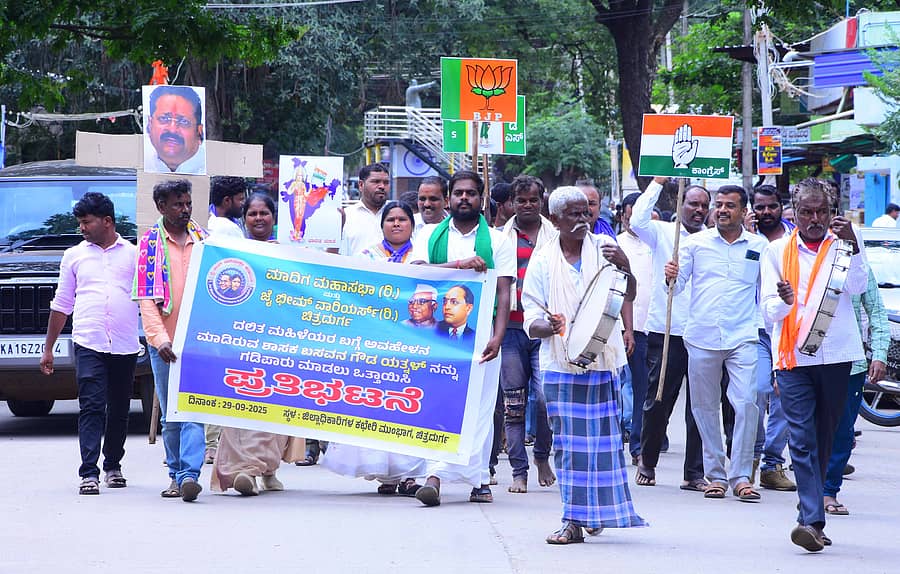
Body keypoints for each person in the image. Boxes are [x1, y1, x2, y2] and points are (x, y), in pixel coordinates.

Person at [522, 186, 646, 544]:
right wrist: (551, 326)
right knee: (568, 446)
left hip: (603, 362)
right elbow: (532, 317)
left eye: (586, 213)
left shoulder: (606, 250)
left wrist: (625, 266)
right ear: (555, 219)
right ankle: (573, 520)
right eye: (573, 214)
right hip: (560, 365)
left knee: (603, 445)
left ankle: (594, 512)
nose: (582, 220)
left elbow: (629, 294)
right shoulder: (544, 260)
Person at [761, 178, 868, 551]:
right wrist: (786, 300)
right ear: (795, 212)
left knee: (825, 438)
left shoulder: (845, 244)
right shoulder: (775, 252)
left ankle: (811, 516)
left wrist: (853, 244)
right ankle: (811, 520)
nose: (814, 218)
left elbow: (857, 287)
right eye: (807, 211)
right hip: (792, 358)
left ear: (831, 212)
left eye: (821, 211)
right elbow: (768, 310)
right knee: (802, 439)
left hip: (836, 355)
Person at [410, 169, 515, 506]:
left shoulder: (498, 240)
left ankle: (479, 479)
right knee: (438, 402)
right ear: (449, 198)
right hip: (437, 334)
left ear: (480, 198)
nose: (464, 199)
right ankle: (434, 475)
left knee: (481, 407)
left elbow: (503, 291)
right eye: (459, 193)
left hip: (482, 334)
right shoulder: (429, 235)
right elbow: (417, 274)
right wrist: (462, 265)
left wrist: (498, 336)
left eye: (471, 193)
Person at [665, 186, 767, 501]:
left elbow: (766, 294)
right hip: (702, 336)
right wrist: (671, 275)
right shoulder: (695, 244)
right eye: (719, 205)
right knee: (704, 407)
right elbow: (677, 287)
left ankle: (741, 476)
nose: (722, 210)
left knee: (748, 402)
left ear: (743, 211)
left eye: (730, 206)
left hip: (743, 336)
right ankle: (715, 475)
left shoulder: (760, 246)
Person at [322, 200, 426, 496]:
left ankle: (411, 474)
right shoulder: (366, 256)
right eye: (390, 219)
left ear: (411, 225)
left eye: (402, 219)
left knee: (409, 406)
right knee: (382, 405)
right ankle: (388, 475)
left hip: (414, 344)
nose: (396, 224)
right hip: (377, 343)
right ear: (382, 226)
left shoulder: (422, 256)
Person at [40, 193, 140, 495]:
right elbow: (62, 304)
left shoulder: (134, 255)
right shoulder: (74, 256)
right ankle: (89, 472)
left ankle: (113, 466)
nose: (81, 228)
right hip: (88, 341)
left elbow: (149, 299)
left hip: (124, 343)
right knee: (92, 405)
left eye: (86, 222)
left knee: (119, 407)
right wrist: (48, 348)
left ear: (107, 221)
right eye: (80, 222)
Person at [211, 193, 304, 496]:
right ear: (244, 219)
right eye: (252, 214)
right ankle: (245, 472)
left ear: (274, 218)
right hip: (240, 342)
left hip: (278, 343)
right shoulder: (230, 255)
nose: (259, 218)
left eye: (265, 213)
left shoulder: (288, 256)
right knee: (242, 410)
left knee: (273, 409)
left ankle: (269, 470)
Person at [630, 177, 709, 491]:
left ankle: (694, 473)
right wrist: (658, 182)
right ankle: (647, 462)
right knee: (659, 399)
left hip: (702, 334)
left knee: (700, 406)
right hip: (667, 329)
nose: (698, 210)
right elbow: (637, 219)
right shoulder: (662, 232)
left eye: (704, 205)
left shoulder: (713, 240)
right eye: (693, 204)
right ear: (681, 205)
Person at [133, 179, 208, 502]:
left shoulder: (205, 241)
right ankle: (176, 474)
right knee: (171, 413)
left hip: (199, 341)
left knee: (193, 408)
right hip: (164, 344)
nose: (185, 209)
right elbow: (146, 300)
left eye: (187, 203)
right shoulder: (149, 244)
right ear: (161, 207)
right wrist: (160, 339)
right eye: (178, 204)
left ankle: (189, 475)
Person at [497, 174, 557, 494]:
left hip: (545, 329)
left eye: (533, 199)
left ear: (542, 200)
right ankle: (519, 470)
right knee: (514, 401)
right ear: (512, 204)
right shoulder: (500, 239)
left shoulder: (555, 237)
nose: (528, 205)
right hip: (510, 329)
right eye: (521, 200)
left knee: (546, 399)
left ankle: (542, 457)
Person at [823, 267, 889, 516]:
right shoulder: (802, 259)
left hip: (851, 364)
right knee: (808, 431)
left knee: (842, 432)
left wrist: (880, 354)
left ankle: (828, 491)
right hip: (808, 363)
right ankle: (812, 491)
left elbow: (877, 313)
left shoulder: (859, 268)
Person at [745, 185, 796, 491]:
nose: (766, 212)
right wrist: (749, 238)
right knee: (758, 390)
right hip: (755, 330)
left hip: (788, 329)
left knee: (785, 397)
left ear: (781, 206)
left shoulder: (794, 240)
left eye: (771, 206)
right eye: (760, 207)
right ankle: (750, 457)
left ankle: (771, 463)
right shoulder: (746, 241)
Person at [617, 192, 653, 466]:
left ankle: (643, 442)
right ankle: (629, 441)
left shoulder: (660, 244)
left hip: (656, 330)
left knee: (648, 391)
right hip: (624, 329)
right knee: (626, 387)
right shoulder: (616, 245)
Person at [144, 85, 206, 174]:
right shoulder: (141, 167)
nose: (172, 129)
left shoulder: (211, 170)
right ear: (149, 125)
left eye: (184, 122)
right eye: (164, 119)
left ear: (199, 132)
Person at [341, 164, 390, 256]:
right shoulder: (346, 217)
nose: (382, 186)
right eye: (376, 182)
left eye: (386, 182)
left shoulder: (398, 217)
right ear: (361, 185)